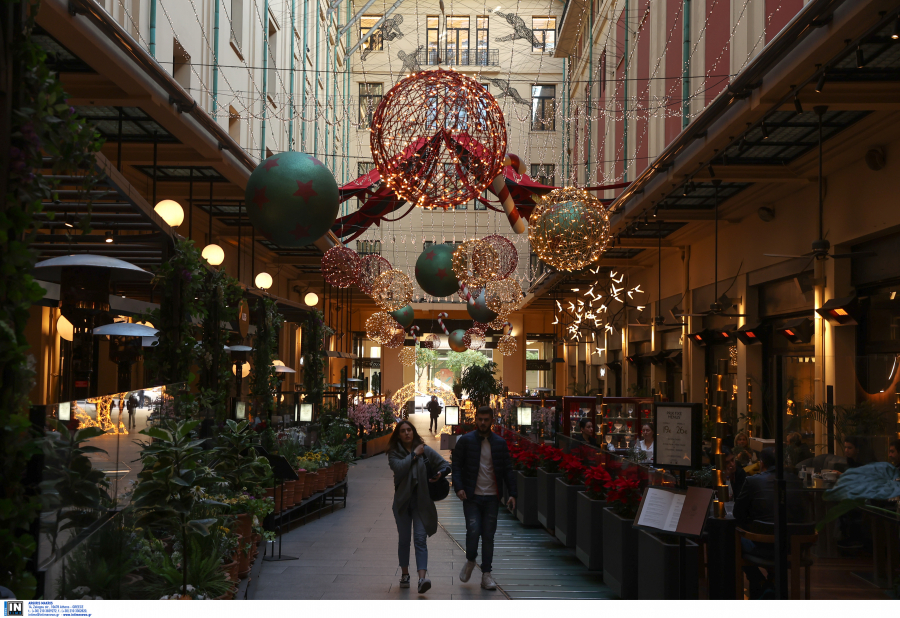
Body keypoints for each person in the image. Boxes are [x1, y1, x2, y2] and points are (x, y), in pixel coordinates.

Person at [451, 406, 517, 590]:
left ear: (492, 421)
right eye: (480, 419)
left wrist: (513, 493)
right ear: (476, 419)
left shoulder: (499, 443)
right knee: (473, 530)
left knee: (488, 535)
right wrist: (459, 488)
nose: (482, 423)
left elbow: (507, 470)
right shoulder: (466, 441)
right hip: (472, 496)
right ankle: (471, 560)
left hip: (491, 498)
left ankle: (486, 574)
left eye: (486, 419)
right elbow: (456, 466)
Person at [388, 419, 451, 594]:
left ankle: (422, 578)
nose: (407, 433)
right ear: (398, 435)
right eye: (403, 431)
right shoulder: (394, 453)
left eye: (409, 430)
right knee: (404, 539)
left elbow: (445, 465)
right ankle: (405, 574)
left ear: (413, 432)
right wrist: (414, 454)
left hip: (422, 502)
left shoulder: (425, 450)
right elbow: (400, 468)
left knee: (420, 539)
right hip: (402, 503)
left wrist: (440, 473)